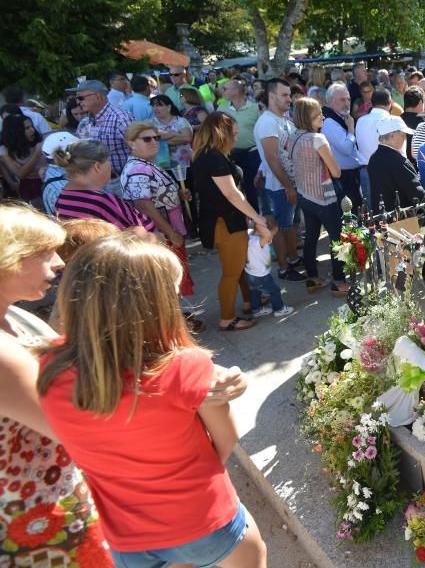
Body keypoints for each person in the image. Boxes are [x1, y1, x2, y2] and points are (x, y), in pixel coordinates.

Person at [37, 233, 268, 568]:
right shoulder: (187, 366)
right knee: (252, 554)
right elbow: (226, 439)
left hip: (127, 538)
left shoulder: (50, 366)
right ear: (151, 306)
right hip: (203, 520)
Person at [0, 204, 115, 566]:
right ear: (9, 259)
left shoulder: (12, 314)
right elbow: (76, 425)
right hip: (46, 516)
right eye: (45, 253)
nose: (59, 262)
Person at [192, 112, 269, 331]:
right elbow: (232, 194)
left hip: (224, 220)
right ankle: (226, 318)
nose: (236, 138)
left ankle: (248, 300)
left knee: (237, 265)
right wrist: (258, 218)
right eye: (233, 134)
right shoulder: (213, 157)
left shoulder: (206, 154)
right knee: (232, 272)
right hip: (224, 222)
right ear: (220, 134)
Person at [120, 121, 195, 296]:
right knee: (169, 280)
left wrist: (177, 194)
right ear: (131, 143)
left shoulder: (145, 164)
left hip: (164, 230)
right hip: (160, 234)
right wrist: (170, 232)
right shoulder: (138, 168)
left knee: (171, 279)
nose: (154, 142)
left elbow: (153, 195)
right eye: (147, 139)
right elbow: (143, 205)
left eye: (156, 138)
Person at [289, 97, 347, 295]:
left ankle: (312, 278)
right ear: (307, 117)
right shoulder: (317, 139)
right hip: (324, 197)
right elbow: (336, 172)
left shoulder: (293, 137)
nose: (323, 116)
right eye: (318, 114)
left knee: (311, 236)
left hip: (304, 195)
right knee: (336, 238)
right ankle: (339, 281)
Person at [254, 78, 304, 282]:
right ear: (272, 96)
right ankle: (284, 268)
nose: (289, 99)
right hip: (280, 185)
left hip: (287, 183)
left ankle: (292, 259)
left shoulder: (282, 119)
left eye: (289, 95)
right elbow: (271, 156)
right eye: (284, 95)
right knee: (282, 227)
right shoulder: (267, 122)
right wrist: (287, 185)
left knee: (288, 224)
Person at [52, 140, 156, 232]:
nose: (110, 165)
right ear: (97, 166)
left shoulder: (62, 197)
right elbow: (146, 231)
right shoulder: (102, 202)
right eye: (108, 160)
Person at [73, 79, 134, 182]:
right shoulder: (85, 122)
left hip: (120, 181)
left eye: (81, 98)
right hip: (96, 182)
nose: (78, 102)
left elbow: (139, 149)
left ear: (97, 96)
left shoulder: (120, 118)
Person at [220, 78, 262, 209]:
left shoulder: (255, 108)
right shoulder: (222, 108)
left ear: (236, 91)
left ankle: (255, 218)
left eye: (225, 88)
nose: (223, 91)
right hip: (230, 154)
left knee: (252, 188)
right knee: (234, 188)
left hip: (252, 153)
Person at [321, 83, 363, 212]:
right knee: (349, 216)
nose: (347, 103)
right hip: (343, 178)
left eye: (348, 99)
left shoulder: (342, 117)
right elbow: (346, 148)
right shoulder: (329, 122)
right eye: (342, 99)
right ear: (330, 101)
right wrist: (351, 128)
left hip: (352, 175)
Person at [368, 116, 424, 213]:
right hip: (402, 218)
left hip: (382, 215)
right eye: (403, 135)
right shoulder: (398, 161)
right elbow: (416, 193)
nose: (405, 138)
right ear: (392, 136)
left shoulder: (373, 158)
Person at [245, 216, 294, 318]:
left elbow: (258, 228)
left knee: (255, 291)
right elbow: (271, 233)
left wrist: (257, 223)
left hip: (250, 273)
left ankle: (256, 309)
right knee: (275, 290)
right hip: (261, 275)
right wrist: (273, 227)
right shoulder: (260, 241)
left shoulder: (250, 235)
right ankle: (279, 309)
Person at [356, 88, 392, 209]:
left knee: (372, 215)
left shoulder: (360, 121)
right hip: (386, 171)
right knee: (389, 213)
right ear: (390, 102)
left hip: (366, 171)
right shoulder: (391, 120)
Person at [1, 111, 45, 204]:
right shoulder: (5, 150)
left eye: (32, 126)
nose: (32, 130)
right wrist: (36, 154)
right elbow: (21, 174)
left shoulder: (40, 143)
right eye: (27, 128)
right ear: (16, 131)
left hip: (48, 183)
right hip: (30, 188)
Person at [150, 93, 194, 169]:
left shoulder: (180, 121)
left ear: (169, 107)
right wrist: (174, 134)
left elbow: (187, 138)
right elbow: (152, 140)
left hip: (183, 163)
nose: (155, 108)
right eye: (153, 105)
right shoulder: (150, 123)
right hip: (161, 164)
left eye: (159, 105)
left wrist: (162, 140)